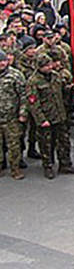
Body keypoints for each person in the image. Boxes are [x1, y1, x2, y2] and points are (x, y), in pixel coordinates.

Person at [26, 54, 74, 179]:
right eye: (46, 66)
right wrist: (41, 119)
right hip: (46, 118)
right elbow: (33, 103)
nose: (50, 67)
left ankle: (65, 164)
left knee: (64, 142)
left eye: (50, 64)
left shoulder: (56, 76)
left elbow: (62, 90)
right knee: (46, 145)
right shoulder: (33, 81)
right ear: (40, 67)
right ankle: (48, 166)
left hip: (59, 115)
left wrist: (70, 88)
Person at [0, 50, 27, 180]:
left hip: (11, 117)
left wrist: (22, 113)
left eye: (4, 61)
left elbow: (24, 95)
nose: (2, 63)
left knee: (14, 145)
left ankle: (15, 169)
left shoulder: (15, 75)